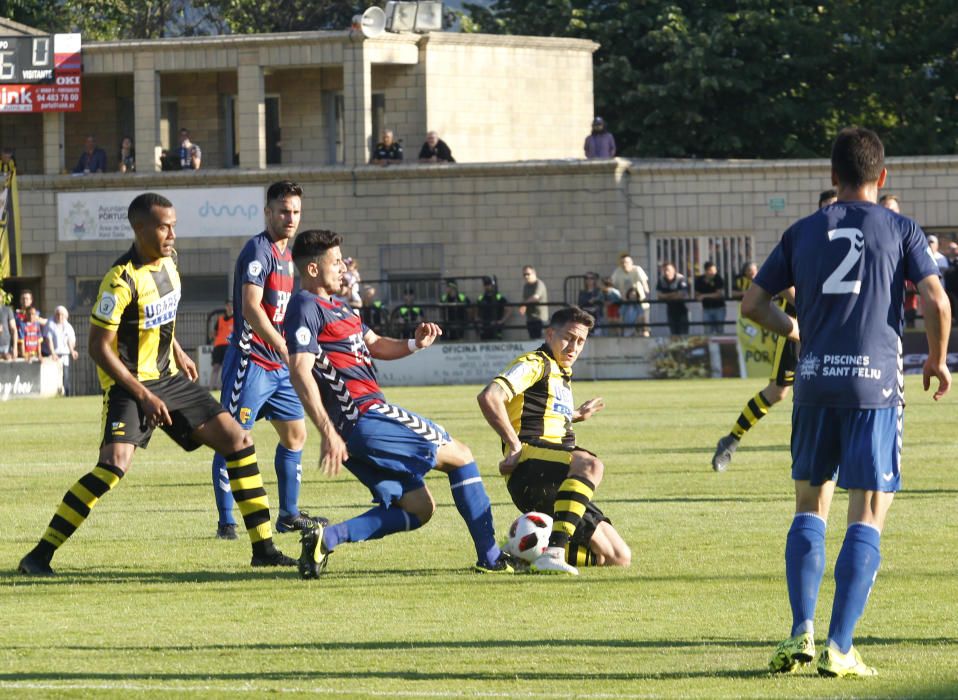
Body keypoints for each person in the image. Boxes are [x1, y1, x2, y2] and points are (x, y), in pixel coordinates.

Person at [745, 127, 950, 678]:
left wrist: (796, 331)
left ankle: (799, 636)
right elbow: (935, 297)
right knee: (869, 509)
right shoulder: (902, 228)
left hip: (813, 384)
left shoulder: (802, 231)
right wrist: (935, 358)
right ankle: (840, 647)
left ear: (832, 177)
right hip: (874, 387)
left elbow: (753, 303)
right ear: (881, 177)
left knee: (809, 506)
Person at [17, 192, 295, 576]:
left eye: (174, 226)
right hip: (131, 386)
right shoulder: (120, 279)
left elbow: (158, 316)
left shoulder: (170, 262)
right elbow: (98, 347)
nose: (172, 234)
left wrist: (177, 350)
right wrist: (143, 394)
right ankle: (38, 556)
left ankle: (263, 548)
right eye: (164, 226)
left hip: (168, 378)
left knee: (238, 441)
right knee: (113, 466)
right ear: (140, 228)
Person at [284, 229, 513, 577]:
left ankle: (326, 539)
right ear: (313, 269)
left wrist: (414, 343)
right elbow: (300, 369)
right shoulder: (305, 306)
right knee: (462, 456)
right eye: (335, 263)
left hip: (357, 430)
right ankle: (492, 557)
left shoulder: (341, 309)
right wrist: (327, 431)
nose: (343, 269)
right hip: (364, 415)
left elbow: (375, 345)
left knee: (419, 508)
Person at [477, 305, 631, 575]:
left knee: (617, 556)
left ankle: (521, 552)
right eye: (568, 337)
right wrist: (513, 446)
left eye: (581, 341)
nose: (574, 346)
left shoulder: (561, 373)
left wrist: (575, 415)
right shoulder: (535, 363)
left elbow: (541, 413)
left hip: (556, 473)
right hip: (531, 467)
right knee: (590, 464)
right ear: (550, 334)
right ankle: (554, 552)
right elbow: (490, 397)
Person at [211, 181, 320, 541]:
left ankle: (288, 514)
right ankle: (227, 522)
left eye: (296, 212)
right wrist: (286, 349)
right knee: (233, 437)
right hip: (252, 360)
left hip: (279, 367)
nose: (290, 218)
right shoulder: (258, 251)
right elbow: (251, 309)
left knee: (295, 435)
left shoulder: (290, 257)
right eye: (284, 211)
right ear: (269, 212)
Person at [712, 190, 837, 471]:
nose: (833, 214)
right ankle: (730, 441)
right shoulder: (806, 241)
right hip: (799, 327)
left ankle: (831, 455)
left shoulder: (849, 244)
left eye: (837, 207)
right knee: (778, 392)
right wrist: (807, 307)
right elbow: (779, 283)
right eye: (827, 208)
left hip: (831, 327)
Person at [611, 253, 650, 336]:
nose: (625, 264)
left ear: (631, 262)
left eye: (627, 262)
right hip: (625, 302)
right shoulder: (618, 271)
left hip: (639, 301)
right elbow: (612, 283)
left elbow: (644, 281)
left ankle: (645, 334)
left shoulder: (637, 269)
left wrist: (646, 290)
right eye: (623, 262)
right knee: (624, 322)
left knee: (644, 323)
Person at [45, 306, 78, 395]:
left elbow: (70, 340)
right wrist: (53, 353)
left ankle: (67, 394)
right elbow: (49, 339)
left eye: (62, 315)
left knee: (65, 376)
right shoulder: (50, 323)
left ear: (65, 316)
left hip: (64, 355)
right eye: (58, 314)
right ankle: (54, 394)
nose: (60, 316)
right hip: (54, 355)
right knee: (54, 376)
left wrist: (72, 351)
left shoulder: (68, 326)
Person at [656, 262, 689, 335]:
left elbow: (682, 294)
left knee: (683, 333)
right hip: (670, 310)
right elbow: (659, 295)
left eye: (668, 270)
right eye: (665, 271)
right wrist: (674, 293)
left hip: (682, 309)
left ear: (674, 270)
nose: (667, 272)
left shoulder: (680, 278)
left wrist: (666, 296)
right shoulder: (661, 280)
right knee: (673, 333)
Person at [694, 261, 727, 333]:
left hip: (719, 308)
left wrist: (704, 295)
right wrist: (702, 296)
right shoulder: (699, 280)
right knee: (707, 330)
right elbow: (697, 295)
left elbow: (718, 294)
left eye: (715, 270)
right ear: (706, 271)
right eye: (711, 270)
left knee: (720, 330)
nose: (714, 272)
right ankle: (709, 344)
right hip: (706, 308)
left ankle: (721, 344)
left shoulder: (718, 278)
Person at [209, 299, 233, 391]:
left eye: (231, 305)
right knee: (216, 367)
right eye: (228, 305)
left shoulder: (236, 319)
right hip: (219, 346)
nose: (230, 307)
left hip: (229, 346)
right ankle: (211, 387)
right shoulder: (220, 320)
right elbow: (214, 333)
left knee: (227, 367)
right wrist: (213, 335)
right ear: (226, 307)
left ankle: (223, 387)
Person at [519, 266, 548, 339]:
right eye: (524, 274)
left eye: (528, 274)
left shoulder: (539, 284)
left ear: (534, 273)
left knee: (540, 343)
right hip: (530, 319)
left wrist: (524, 304)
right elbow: (525, 299)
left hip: (540, 319)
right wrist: (522, 306)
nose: (526, 276)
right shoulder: (526, 286)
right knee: (532, 342)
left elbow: (535, 298)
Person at [476, 276, 509, 340]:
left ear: (492, 285)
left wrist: (502, 321)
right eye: (485, 284)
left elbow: (509, 309)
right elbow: (476, 311)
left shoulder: (498, 297)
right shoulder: (481, 298)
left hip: (496, 328)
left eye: (488, 284)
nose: (487, 286)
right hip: (484, 328)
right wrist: (478, 321)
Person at [0, 294, 17, 360]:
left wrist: (15, 347)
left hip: (6, 347)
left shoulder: (7, 310)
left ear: (1, 298)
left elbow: (14, 329)